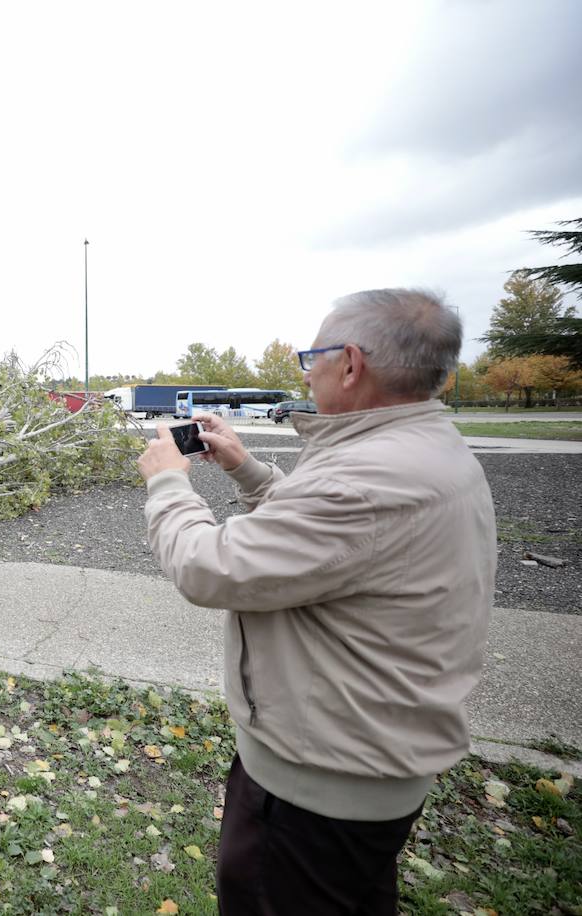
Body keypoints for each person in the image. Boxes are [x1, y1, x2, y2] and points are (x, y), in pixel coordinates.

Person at [137, 289, 495, 915]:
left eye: (313, 355)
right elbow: (329, 539)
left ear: (351, 363)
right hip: (362, 761)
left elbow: (206, 567)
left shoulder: (366, 478)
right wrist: (248, 470)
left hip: (319, 785)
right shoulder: (418, 449)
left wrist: (168, 480)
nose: (306, 371)